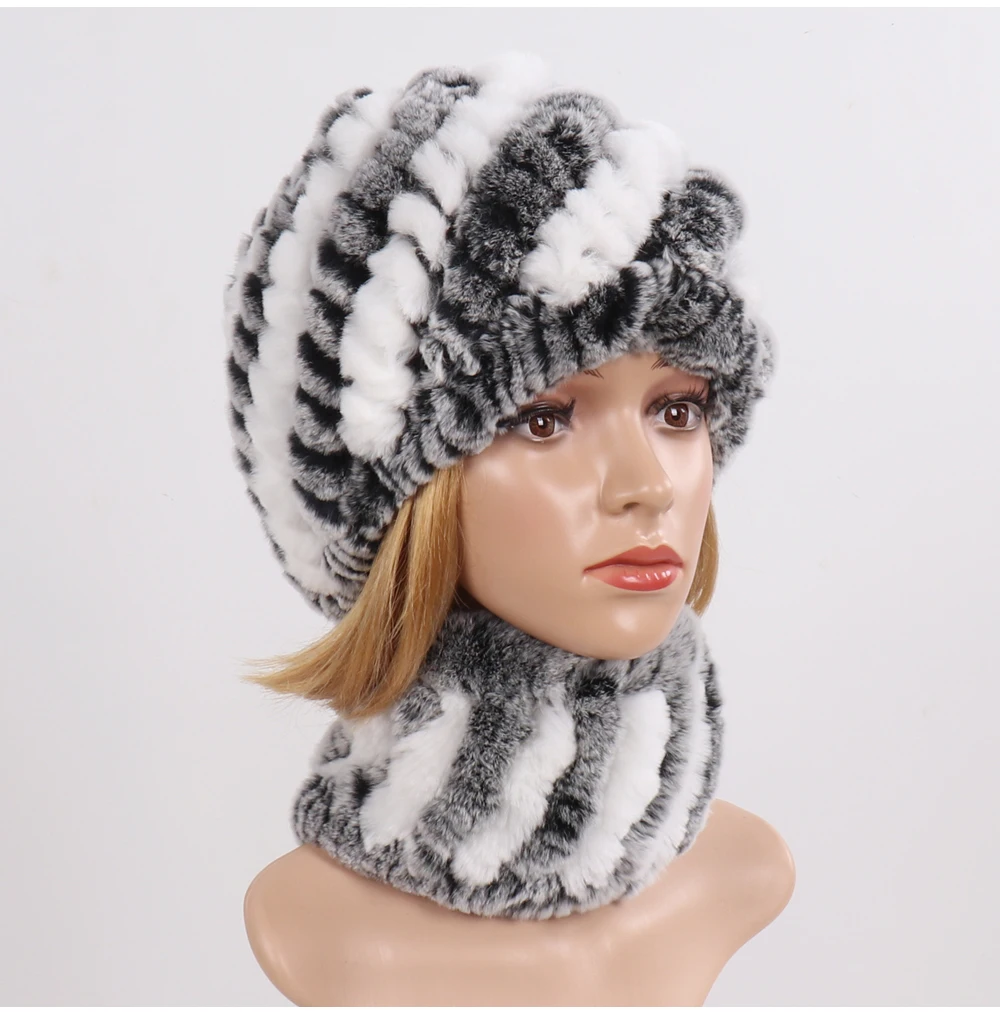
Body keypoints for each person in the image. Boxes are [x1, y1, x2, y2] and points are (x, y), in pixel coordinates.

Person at [224, 51, 794, 1005]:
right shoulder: (308, 926)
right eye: (543, 418)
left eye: (678, 408)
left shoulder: (743, 867)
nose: (647, 485)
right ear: (389, 495)